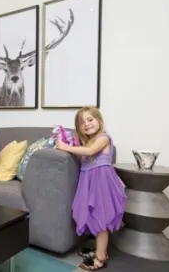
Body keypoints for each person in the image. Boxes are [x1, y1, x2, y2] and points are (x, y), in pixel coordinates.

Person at [56, 107, 127, 271]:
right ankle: (99, 250)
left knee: (101, 220)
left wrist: (66, 147)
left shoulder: (104, 138)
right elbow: (84, 153)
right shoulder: (86, 142)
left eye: (90, 119)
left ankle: (101, 257)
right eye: (82, 123)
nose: (87, 124)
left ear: (99, 120)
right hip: (88, 183)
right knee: (91, 216)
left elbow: (89, 151)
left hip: (101, 184)